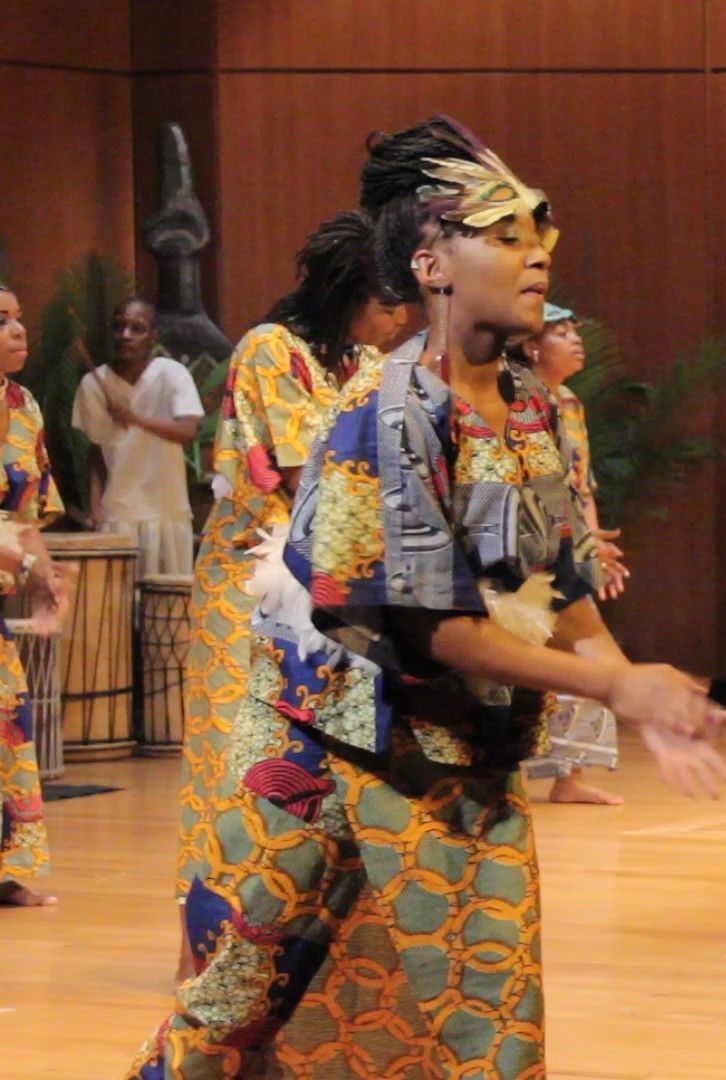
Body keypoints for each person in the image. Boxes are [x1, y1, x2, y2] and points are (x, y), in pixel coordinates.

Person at [129, 115, 726, 1078]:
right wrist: (622, 692)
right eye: (504, 235)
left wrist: (621, 676)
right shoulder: (387, 411)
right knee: (228, 1015)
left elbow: (536, 575)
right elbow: (433, 627)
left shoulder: (524, 402)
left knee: (493, 1034)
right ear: (430, 265)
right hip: (321, 744)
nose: (536, 255)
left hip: (443, 756)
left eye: (539, 232)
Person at [172, 210, 407, 982]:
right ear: (350, 294)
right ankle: (204, 950)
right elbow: (316, 479)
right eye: (387, 301)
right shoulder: (274, 351)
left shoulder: (356, 363)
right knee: (232, 764)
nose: (398, 317)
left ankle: (292, 940)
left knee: (309, 769)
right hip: (251, 586)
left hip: (327, 588)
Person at [510, 300, 633, 805]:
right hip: (527, 545)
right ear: (534, 346)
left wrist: (593, 549)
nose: (576, 339)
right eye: (562, 332)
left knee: (586, 653)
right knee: (523, 658)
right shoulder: (516, 397)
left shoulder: (572, 404)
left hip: (568, 543)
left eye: (576, 331)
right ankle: (508, 769)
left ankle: (572, 774)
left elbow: (581, 487)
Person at [0, 283, 75, 909]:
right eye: (1, 321)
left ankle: (1, 874)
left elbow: (26, 518)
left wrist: (45, 581)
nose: (18, 332)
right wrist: (20, 558)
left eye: (19, 320)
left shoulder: (23, 406)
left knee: (4, 733)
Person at [71, 296, 202, 578]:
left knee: (166, 608)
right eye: (119, 327)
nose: (125, 336)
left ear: (154, 335)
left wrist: (134, 418)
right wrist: (95, 508)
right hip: (118, 511)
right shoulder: (93, 383)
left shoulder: (172, 374)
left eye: (137, 328)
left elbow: (187, 431)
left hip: (167, 509)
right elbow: (96, 452)